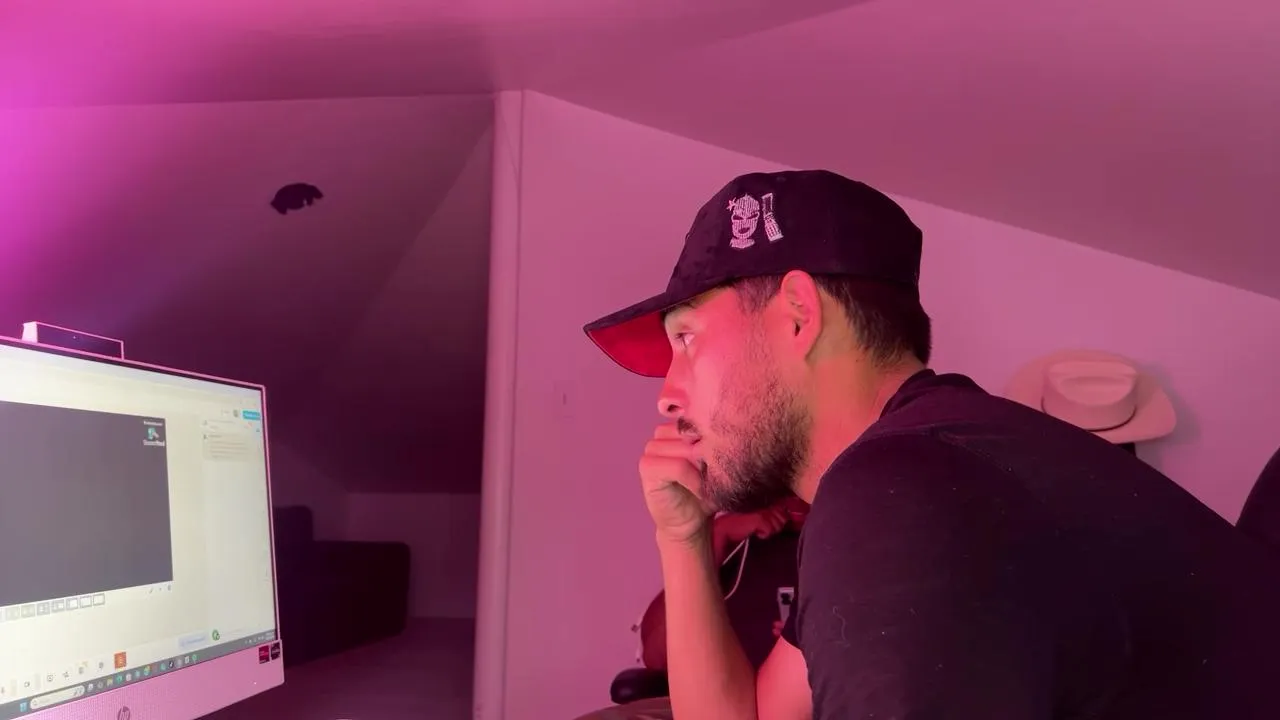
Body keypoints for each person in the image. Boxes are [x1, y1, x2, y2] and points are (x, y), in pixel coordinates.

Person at [581, 170, 1280, 719]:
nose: (667, 395)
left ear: (797, 315)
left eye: (687, 339)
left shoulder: (900, 493)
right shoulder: (936, 470)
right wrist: (683, 536)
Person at [576, 499, 807, 720]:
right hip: (713, 703)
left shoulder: (825, 549)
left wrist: (812, 643)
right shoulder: (741, 539)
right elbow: (655, 656)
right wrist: (715, 536)